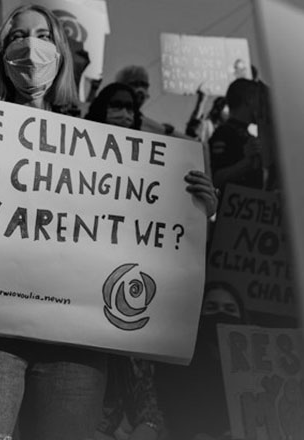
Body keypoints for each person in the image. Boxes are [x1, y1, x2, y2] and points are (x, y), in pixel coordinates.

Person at [0, 6, 218, 440]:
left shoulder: (97, 145)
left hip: (74, 351)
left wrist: (196, 210)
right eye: (17, 36)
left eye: (44, 35)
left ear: (61, 54)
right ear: (0, 52)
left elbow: (140, 235)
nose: (31, 46)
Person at [86, 83, 218, 440]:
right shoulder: (76, 165)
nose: (125, 113)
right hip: (81, 325)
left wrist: (202, 210)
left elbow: (184, 244)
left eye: (130, 108)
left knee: (147, 420)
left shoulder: (163, 173)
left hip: (134, 317)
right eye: (115, 105)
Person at [154, 281, 248, 440]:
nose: (221, 313)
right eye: (211, 308)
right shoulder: (174, 362)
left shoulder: (252, 369)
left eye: (230, 309)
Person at [208, 78, 262, 191]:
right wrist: (246, 163)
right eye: (260, 99)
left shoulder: (248, 135)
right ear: (249, 99)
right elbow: (215, 178)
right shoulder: (223, 133)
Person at [115, 65, 175, 136]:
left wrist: (159, 129)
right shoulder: (111, 114)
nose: (140, 89)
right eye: (135, 84)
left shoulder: (140, 119)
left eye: (144, 85)